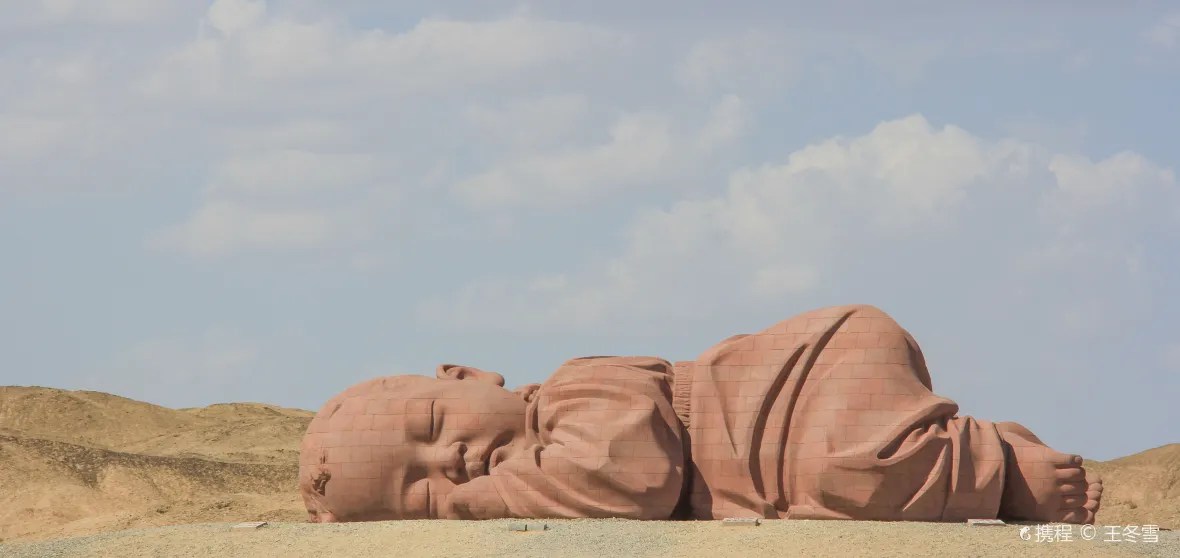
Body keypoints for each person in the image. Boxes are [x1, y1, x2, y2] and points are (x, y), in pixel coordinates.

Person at [299, 304, 1102, 523]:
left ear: (468, 373)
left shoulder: (584, 386)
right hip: (771, 473)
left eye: (434, 431)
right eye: (422, 491)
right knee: (836, 485)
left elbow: (633, 479)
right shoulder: (542, 478)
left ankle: (1002, 460)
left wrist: (465, 506)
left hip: (799, 383)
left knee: (848, 469)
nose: (455, 466)